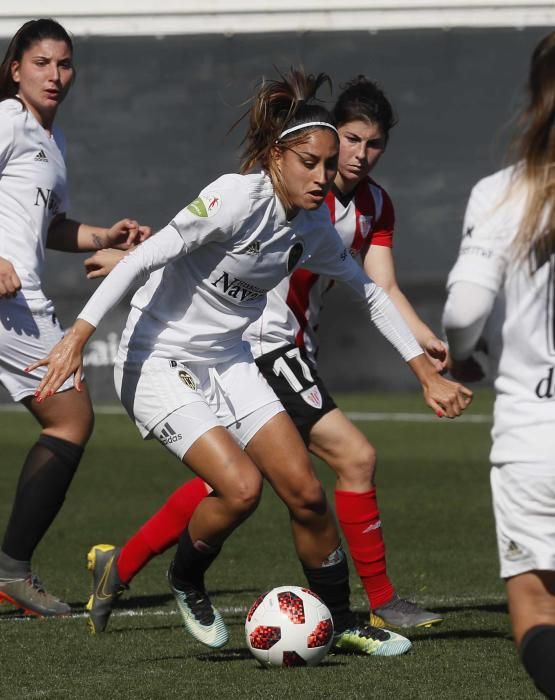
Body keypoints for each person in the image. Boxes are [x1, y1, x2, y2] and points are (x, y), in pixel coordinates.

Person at [31, 68, 471, 655]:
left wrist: (425, 375)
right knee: (240, 489)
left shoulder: (314, 225)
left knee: (308, 494)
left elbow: (369, 292)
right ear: (276, 156)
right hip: (158, 357)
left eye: (327, 164)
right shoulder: (235, 196)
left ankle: (341, 620)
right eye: (309, 163)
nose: (323, 177)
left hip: (230, 359)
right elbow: (140, 261)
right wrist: (77, 337)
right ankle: (186, 579)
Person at [0, 18, 150, 617]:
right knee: (70, 418)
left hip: (15, 300)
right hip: (12, 304)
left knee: (69, 418)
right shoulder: (8, 119)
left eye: (64, 64)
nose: (56, 75)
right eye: (42, 63)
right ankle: (11, 570)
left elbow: (51, 228)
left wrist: (101, 234)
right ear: (16, 69)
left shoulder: (50, 141)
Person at [442, 32, 555, 698]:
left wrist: (463, 360)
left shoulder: (501, 193)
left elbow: (461, 314)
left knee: (537, 612)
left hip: (533, 438)